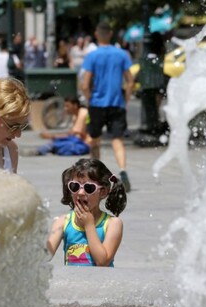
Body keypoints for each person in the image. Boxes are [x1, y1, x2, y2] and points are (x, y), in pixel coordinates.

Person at [82, 22, 134, 192]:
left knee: (94, 139)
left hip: (97, 103)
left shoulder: (92, 56)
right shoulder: (122, 54)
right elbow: (130, 80)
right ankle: (123, 171)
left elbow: (85, 84)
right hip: (116, 103)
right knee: (117, 140)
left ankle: (95, 174)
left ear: (97, 34)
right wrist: (125, 99)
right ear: (110, 34)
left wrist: (89, 100)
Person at [46, 158, 126, 266]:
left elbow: (102, 262)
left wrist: (89, 225)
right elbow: (44, 257)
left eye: (89, 188)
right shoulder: (63, 222)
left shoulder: (113, 224)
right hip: (72, 282)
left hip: (101, 283)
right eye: (75, 186)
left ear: (103, 192)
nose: (81, 192)